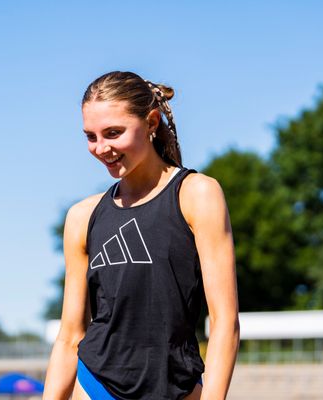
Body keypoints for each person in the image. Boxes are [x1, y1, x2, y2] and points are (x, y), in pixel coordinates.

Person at [43, 71, 240, 400]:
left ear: (151, 122)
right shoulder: (82, 217)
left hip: (177, 388)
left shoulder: (197, 195)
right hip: (96, 387)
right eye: (91, 136)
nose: (101, 148)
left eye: (113, 133)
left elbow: (224, 324)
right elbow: (70, 335)